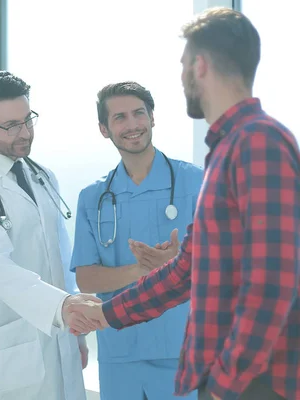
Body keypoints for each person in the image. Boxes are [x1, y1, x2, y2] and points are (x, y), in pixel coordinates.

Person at [68, 7, 300, 400]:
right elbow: (189, 268)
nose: (181, 78)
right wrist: (105, 315)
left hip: (257, 383)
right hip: (228, 376)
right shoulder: (228, 150)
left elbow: (272, 281)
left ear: (200, 66)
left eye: (182, 65)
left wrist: (224, 384)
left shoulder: (257, 142)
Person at [0, 71, 100, 400]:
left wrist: (75, 331)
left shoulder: (42, 175)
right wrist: (63, 306)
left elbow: (61, 255)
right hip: (12, 348)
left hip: (60, 332)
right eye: (12, 125)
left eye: (28, 119)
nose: (26, 133)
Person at [70, 81, 203, 400]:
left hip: (182, 349)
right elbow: (86, 277)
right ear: (104, 129)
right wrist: (141, 271)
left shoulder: (197, 181)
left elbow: (226, 264)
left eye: (138, 113)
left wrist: (176, 266)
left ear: (152, 118)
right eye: (119, 118)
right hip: (120, 354)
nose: (132, 125)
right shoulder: (93, 197)